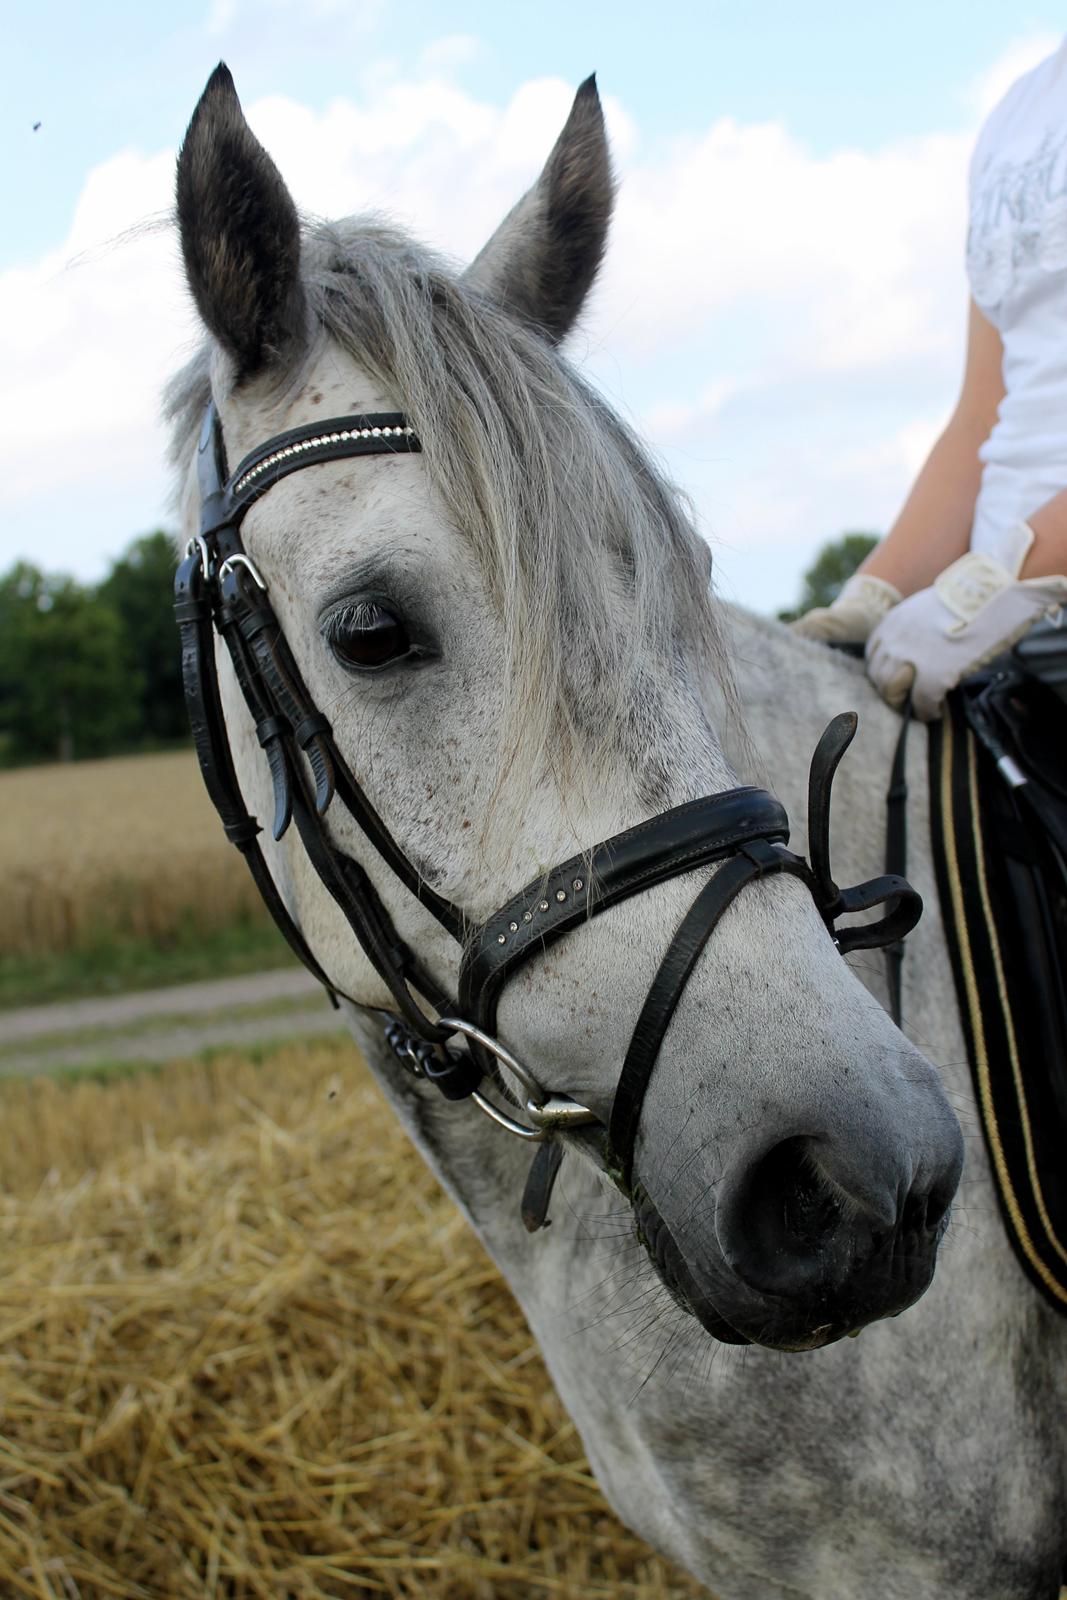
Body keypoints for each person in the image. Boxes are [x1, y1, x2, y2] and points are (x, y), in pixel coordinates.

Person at [793, 39, 1067, 720]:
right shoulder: (1016, 116)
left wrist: (998, 585)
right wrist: (873, 597)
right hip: (996, 634)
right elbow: (981, 417)